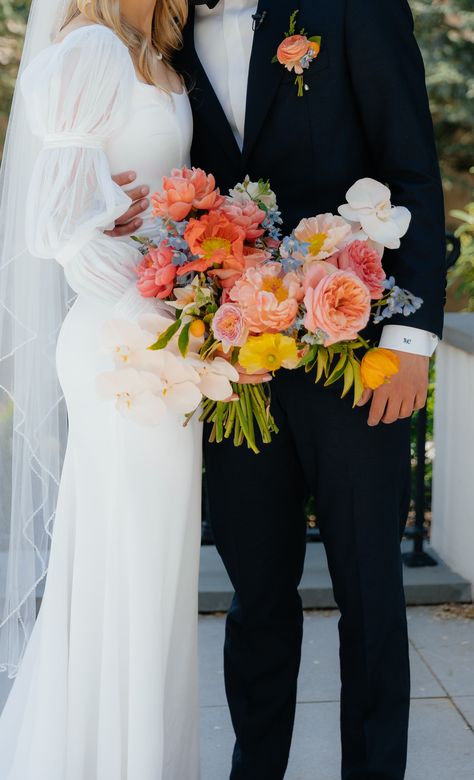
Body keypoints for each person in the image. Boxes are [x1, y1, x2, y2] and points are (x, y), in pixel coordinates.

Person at [173, 1, 444, 778]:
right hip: (237, 370)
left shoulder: (353, 8)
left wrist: (412, 338)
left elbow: (412, 170)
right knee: (255, 597)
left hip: (357, 355)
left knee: (368, 595)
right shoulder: (164, 30)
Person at [0, 1, 203, 778]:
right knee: (128, 559)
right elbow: (48, 225)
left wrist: (190, 310)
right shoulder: (87, 49)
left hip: (164, 333)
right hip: (124, 339)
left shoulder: (154, 51)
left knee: (156, 563)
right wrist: (162, 309)